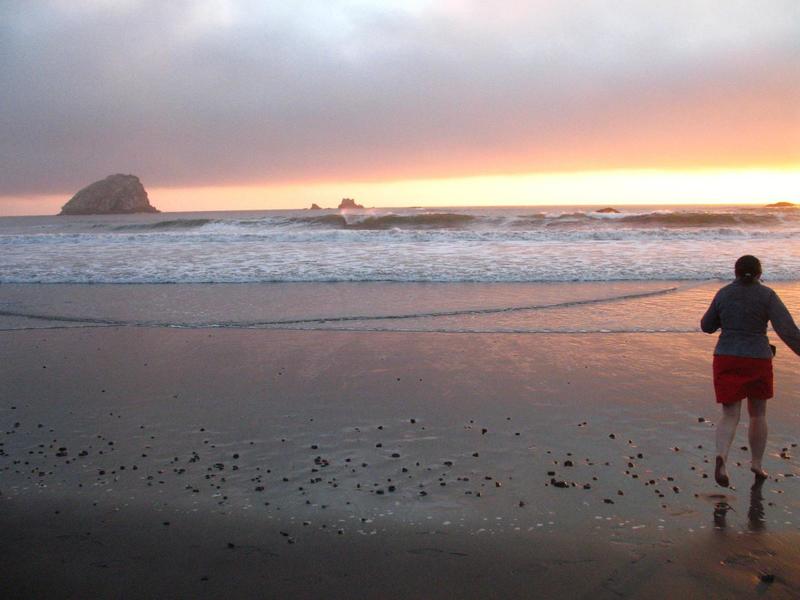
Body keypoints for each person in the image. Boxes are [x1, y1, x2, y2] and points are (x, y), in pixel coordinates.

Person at [701, 255, 800, 487]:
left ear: (735, 273)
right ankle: (756, 464)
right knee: (758, 414)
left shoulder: (723, 293)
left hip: (726, 357)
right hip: (757, 358)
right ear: (759, 274)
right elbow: (787, 329)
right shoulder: (767, 295)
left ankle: (721, 458)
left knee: (729, 414)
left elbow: (707, 326)